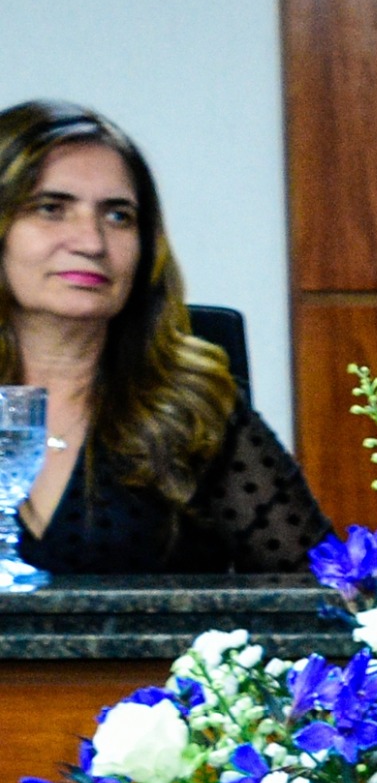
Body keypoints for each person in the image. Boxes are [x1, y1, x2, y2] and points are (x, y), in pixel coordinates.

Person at [0, 100, 325, 575]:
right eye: (51, 209)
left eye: (118, 217)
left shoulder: (191, 409)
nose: (92, 242)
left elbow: (329, 593)